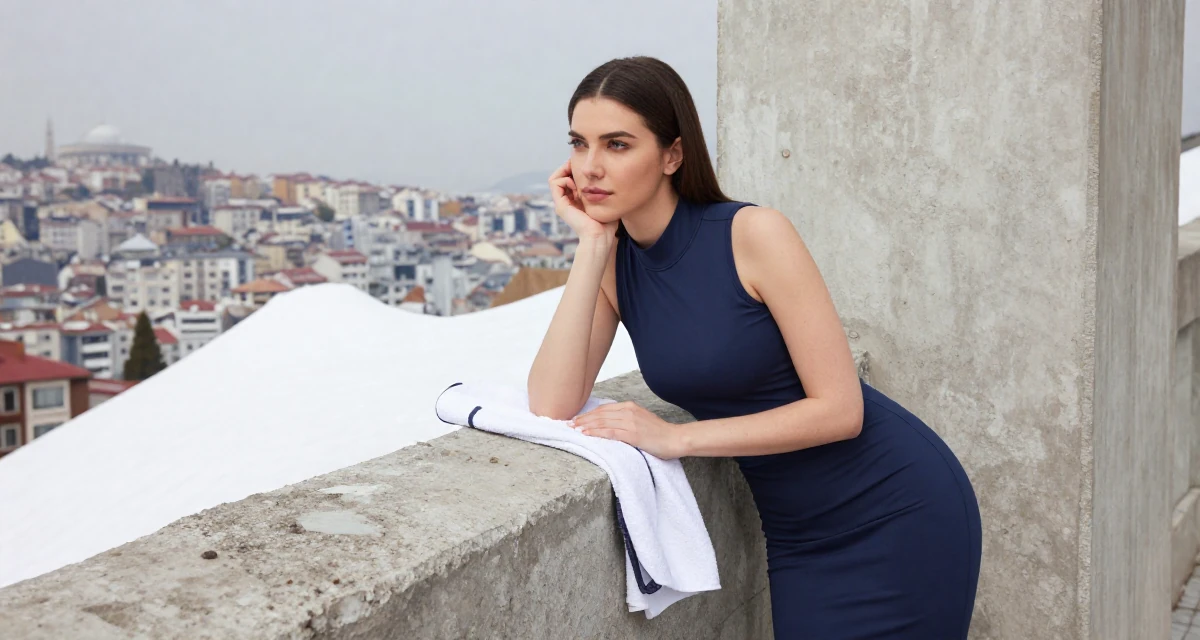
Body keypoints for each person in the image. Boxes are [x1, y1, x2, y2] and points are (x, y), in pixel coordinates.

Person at [526, 56, 982, 639]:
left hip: (897, 508)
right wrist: (592, 244)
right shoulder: (614, 261)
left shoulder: (752, 234)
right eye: (579, 144)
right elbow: (551, 401)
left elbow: (842, 411)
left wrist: (677, 438)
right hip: (797, 533)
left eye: (617, 144)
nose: (590, 167)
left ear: (672, 154)